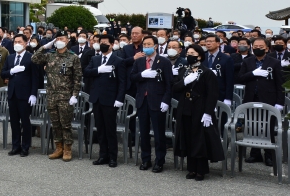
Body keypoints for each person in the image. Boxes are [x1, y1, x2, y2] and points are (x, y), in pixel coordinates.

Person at [173, 44, 225, 180]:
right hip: (185, 106)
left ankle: (201, 170)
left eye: (192, 53)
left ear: (199, 56)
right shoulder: (183, 70)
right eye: (188, 53)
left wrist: (208, 112)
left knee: (199, 139)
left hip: (200, 107)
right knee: (188, 137)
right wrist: (185, 81)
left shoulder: (207, 72)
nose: (189, 55)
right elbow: (175, 87)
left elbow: (212, 94)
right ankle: (191, 169)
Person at [32, 30, 82, 162]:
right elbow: (34, 59)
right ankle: (58, 148)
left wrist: (74, 95)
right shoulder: (50, 55)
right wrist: (44, 47)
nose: (59, 41)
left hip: (65, 96)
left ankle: (67, 148)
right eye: (57, 39)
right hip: (52, 95)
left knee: (65, 124)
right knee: (55, 123)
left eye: (62, 38)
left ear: (67, 41)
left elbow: (77, 78)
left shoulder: (73, 57)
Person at [238, 38, 285, 166]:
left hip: (269, 99)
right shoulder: (247, 62)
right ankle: (255, 153)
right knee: (252, 126)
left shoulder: (275, 62)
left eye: (261, 46)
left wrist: (280, 103)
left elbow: (280, 84)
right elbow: (240, 78)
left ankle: (269, 154)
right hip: (251, 98)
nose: (258, 48)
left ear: (267, 48)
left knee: (268, 128)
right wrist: (253, 73)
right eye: (255, 46)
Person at [130, 35, 173, 173]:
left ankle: (159, 161)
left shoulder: (164, 62)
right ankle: (146, 159)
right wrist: (142, 75)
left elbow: (169, 83)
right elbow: (132, 77)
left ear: (155, 46)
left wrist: (166, 100)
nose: (146, 47)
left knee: (159, 133)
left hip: (158, 101)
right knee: (144, 132)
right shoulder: (139, 61)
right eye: (145, 44)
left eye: (149, 44)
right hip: (143, 100)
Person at [84, 34, 126, 167]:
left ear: (112, 44)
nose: (102, 44)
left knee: (110, 129)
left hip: (110, 99)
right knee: (100, 129)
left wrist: (119, 99)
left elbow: (122, 82)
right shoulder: (95, 59)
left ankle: (113, 156)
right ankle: (103, 155)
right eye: (100, 42)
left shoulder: (118, 60)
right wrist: (98, 70)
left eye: (105, 43)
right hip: (97, 98)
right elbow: (86, 72)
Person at [1, 34, 38, 157]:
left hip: (25, 94)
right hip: (12, 94)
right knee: (14, 121)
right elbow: (3, 73)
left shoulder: (31, 57)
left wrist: (33, 94)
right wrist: (11, 71)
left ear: (25, 43)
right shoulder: (10, 57)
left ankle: (25, 147)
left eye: (19, 42)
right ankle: (15, 146)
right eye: (15, 42)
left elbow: (35, 78)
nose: (17, 44)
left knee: (25, 121)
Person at [203, 34, 234, 107]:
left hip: (219, 93)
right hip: (203, 93)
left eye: (211, 41)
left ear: (218, 43)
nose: (208, 43)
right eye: (206, 41)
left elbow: (229, 79)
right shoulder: (202, 57)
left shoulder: (226, 59)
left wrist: (228, 98)